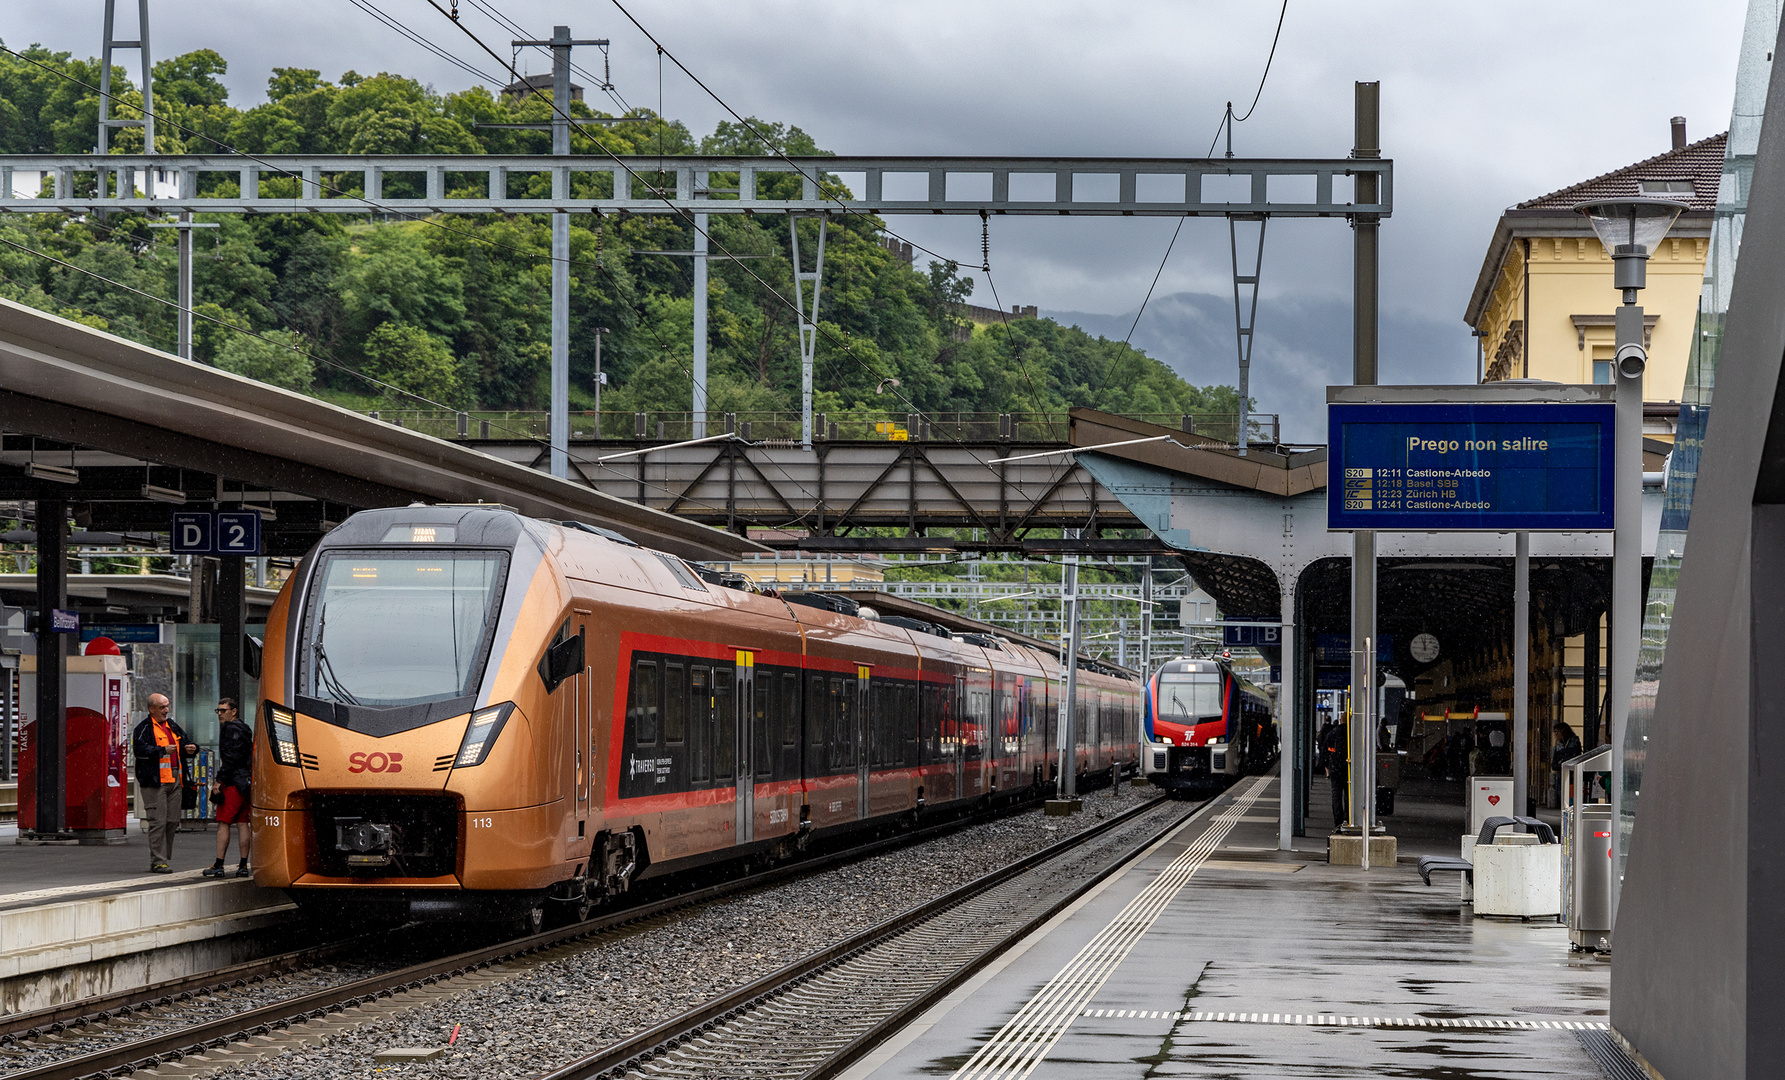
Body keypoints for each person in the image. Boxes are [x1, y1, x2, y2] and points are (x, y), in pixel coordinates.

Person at [131, 693, 197, 873]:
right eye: (162, 707)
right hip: (155, 781)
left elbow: (185, 742)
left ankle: (162, 857)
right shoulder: (143, 729)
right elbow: (140, 751)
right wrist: (162, 750)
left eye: (167, 706)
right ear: (151, 709)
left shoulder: (172, 726)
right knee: (158, 821)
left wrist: (191, 748)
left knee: (173, 820)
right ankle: (158, 860)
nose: (166, 710)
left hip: (175, 778)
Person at [205, 698, 253, 878]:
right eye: (218, 710)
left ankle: (219, 864)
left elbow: (230, 759)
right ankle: (242, 865)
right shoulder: (244, 729)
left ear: (234, 711)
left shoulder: (230, 730)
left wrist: (219, 780)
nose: (220, 714)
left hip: (233, 783)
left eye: (223, 710)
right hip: (245, 783)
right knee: (242, 823)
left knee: (224, 823)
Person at [1318, 717, 1348, 829]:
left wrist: (1327, 766)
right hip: (1349, 769)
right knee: (1349, 794)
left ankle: (1338, 821)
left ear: (1340, 720)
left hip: (1336, 768)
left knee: (1336, 794)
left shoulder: (1333, 733)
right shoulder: (1354, 733)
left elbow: (1325, 750)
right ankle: (1349, 818)